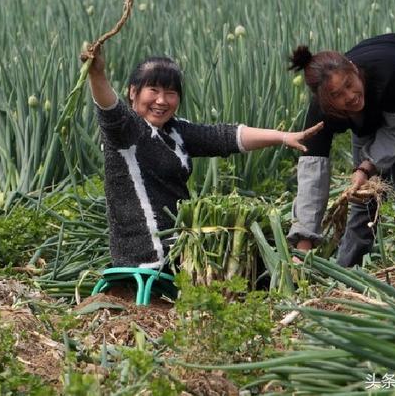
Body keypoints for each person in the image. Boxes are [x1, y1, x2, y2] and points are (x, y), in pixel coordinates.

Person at [84, 47, 323, 269]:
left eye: (170, 93)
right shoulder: (128, 131)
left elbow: (224, 137)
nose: (161, 100)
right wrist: (97, 75)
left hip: (179, 243)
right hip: (147, 252)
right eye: (153, 90)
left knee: (254, 253)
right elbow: (110, 110)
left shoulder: (175, 130)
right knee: (247, 264)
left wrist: (283, 137)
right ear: (133, 92)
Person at [287, 33, 395, 266]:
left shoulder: (390, 71)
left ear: (354, 69)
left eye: (348, 83)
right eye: (337, 95)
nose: (350, 96)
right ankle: (347, 266)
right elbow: (312, 177)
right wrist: (302, 247)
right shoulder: (321, 115)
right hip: (375, 104)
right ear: (325, 102)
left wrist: (366, 167)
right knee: (363, 190)